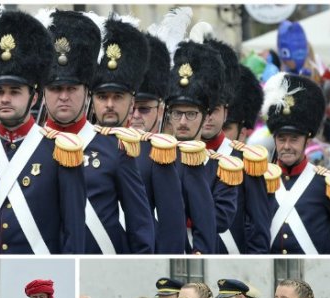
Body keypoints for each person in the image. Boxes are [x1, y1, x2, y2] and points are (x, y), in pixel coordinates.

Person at [0, 7, 85, 254]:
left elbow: (73, 234)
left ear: (33, 98)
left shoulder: (60, 151)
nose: (5, 99)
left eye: (14, 92)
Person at [48, 11, 154, 254]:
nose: (64, 96)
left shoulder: (115, 148)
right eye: (55, 88)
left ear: (86, 91)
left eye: (71, 88)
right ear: (42, 92)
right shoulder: (31, 147)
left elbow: (140, 227)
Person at [165, 40, 240, 254]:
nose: (182, 122)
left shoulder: (224, 166)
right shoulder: (154, 157)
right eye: (177, 113)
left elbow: (221, 219)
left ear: (205, 115)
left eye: (191, 114)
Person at [264, 72, 330, 254]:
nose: (286, 146)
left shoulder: (327, 183)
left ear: (307, 141)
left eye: (294, 139)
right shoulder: (261, 180)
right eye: (281, 139)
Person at [200, 36, 272, 255]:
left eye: (215, 110)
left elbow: (258, 229)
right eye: (203, 109)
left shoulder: (247, 161)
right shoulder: (171, 155)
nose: (208, 117)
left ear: (225, 111)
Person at [129, 29, 186, 253]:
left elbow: (172, 226)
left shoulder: (160, 154)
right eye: (131, 108)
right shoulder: (106, 146)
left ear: (161, 110)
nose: (135, 116)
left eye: (143, 109)